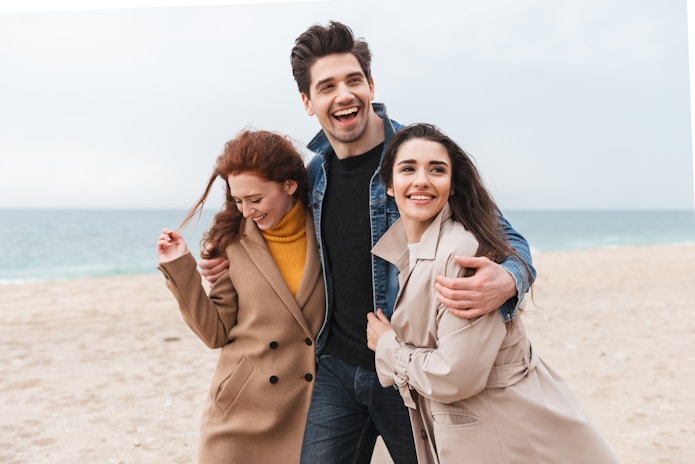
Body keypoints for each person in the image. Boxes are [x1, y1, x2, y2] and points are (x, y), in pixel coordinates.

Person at [200, 21, 536, 463]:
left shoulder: (417, 160)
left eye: (353, 80)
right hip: (335, 369)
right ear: (307, 102)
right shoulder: (314, 175)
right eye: (327, 86)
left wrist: (509, 281)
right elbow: (267, 220)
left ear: (371, 84)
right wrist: (217, 255)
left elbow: (507, 237)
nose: (343, 94)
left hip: (407, 370)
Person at [366, 123, 619, 463]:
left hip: (500, 431)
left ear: (453, 186)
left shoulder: (460, 255)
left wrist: (388, 347)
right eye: (408, 169)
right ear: (390, 187)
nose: (422, 180)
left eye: (437, 170)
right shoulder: (415, 249)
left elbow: (455, 376)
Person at [156, 129, 325, 463]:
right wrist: (180, 267)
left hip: (312, 408)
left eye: (256, 199)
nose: (247, 211)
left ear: (289, 185)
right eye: (238, 200)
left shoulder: (327, 230)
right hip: (242, 409)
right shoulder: (230, 241)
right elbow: (214, 332)